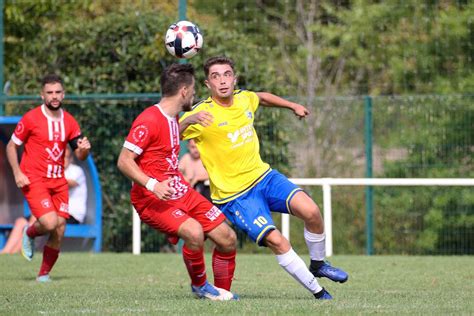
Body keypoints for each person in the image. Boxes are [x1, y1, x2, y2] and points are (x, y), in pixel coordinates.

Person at [179, 56, 349, 300]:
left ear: (234, 78)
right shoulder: (202, 113)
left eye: (227, 74)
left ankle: (319, 264)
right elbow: (173, 130)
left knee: (311, 211)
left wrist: (292, 106)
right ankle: (320, 294)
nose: (222, 81)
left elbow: (262, 97)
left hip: (265, 178)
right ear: (208, 84)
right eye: (215, 77)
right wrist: (189, 120)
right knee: (278, 240)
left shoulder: (243, 98)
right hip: (236, 196)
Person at [117, 63, 238, 301]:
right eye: (192, 90)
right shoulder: (149, 119)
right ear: (183, 91)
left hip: (180, 189)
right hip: (152, 197)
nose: (194, 94)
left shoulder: (172, 117)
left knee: (227, 237)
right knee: (194, 233)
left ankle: (222, 292)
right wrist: (153, 184)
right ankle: (201, 286)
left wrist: (189, 119)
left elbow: (168, 136)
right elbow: (123, 160)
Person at [6, 74, 91, 282]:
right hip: (34, 179)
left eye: (58, 92)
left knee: (60, 229)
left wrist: (84, 150)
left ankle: (43, 274)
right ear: (42, 95)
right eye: (50, 92)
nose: (54, 96)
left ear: (64, 94)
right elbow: (11, 145)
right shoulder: (31, 118)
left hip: (58, 182)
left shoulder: (70, 122)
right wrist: (17, 173)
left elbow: (79, 155)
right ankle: (29, 232)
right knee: (51, 222)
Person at [64, 146, 88, 224]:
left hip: (74, 215)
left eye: (65, 157)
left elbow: (69, 184)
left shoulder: (76, 170)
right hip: (61, 213)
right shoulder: (57, 171)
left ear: (70, 159)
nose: (62, 160)